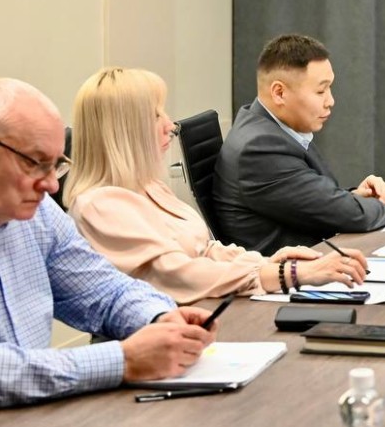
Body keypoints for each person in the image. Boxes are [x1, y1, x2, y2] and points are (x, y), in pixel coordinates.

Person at [64, 68, 368, 305]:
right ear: (123, 131)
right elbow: (177, 274)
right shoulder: (99, 206)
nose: (170, 125)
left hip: (203, 313)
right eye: (156, 115)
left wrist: (263, 262)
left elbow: (204, 250)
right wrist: (285, 274)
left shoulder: (147, 186)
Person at [0, 78, 216, 407]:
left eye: (55, 165)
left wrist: (158, 318)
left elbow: (102, 290)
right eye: (34, 162)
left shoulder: (39, 215)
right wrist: (124, 359)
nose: (52, 185)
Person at [213, 34, 385, 255]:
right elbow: (351, 216)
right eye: (321, 91)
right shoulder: (259, 149)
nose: (330, 101)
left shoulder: (267, 127)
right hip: (294, 267)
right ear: (279, 93)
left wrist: (355, 198)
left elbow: (312, 199)